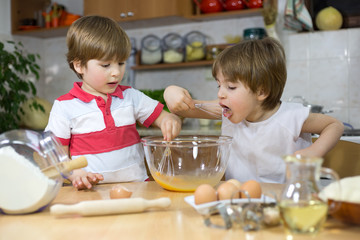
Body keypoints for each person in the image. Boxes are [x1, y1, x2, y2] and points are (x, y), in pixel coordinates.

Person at [164, 37, 344, 183]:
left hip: (284, 205)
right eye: (219, 85)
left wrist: (314, 152)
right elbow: (186, 108)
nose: (220, 94)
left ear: (261, 91)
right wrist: (170, 92)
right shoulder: (226, 111)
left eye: (231, 87)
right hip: (239, 202)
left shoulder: (290, 117)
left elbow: (334, 125)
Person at [45, 16, 181, 190]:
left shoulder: (131, 97)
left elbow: (164, 117)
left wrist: (170, 121)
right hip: (91, 192)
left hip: (138, 188)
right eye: (106, 65)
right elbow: (55, 155)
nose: (116, 72)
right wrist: (74, 173)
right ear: (79, 66)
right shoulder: (64, 107)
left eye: (121, 63)